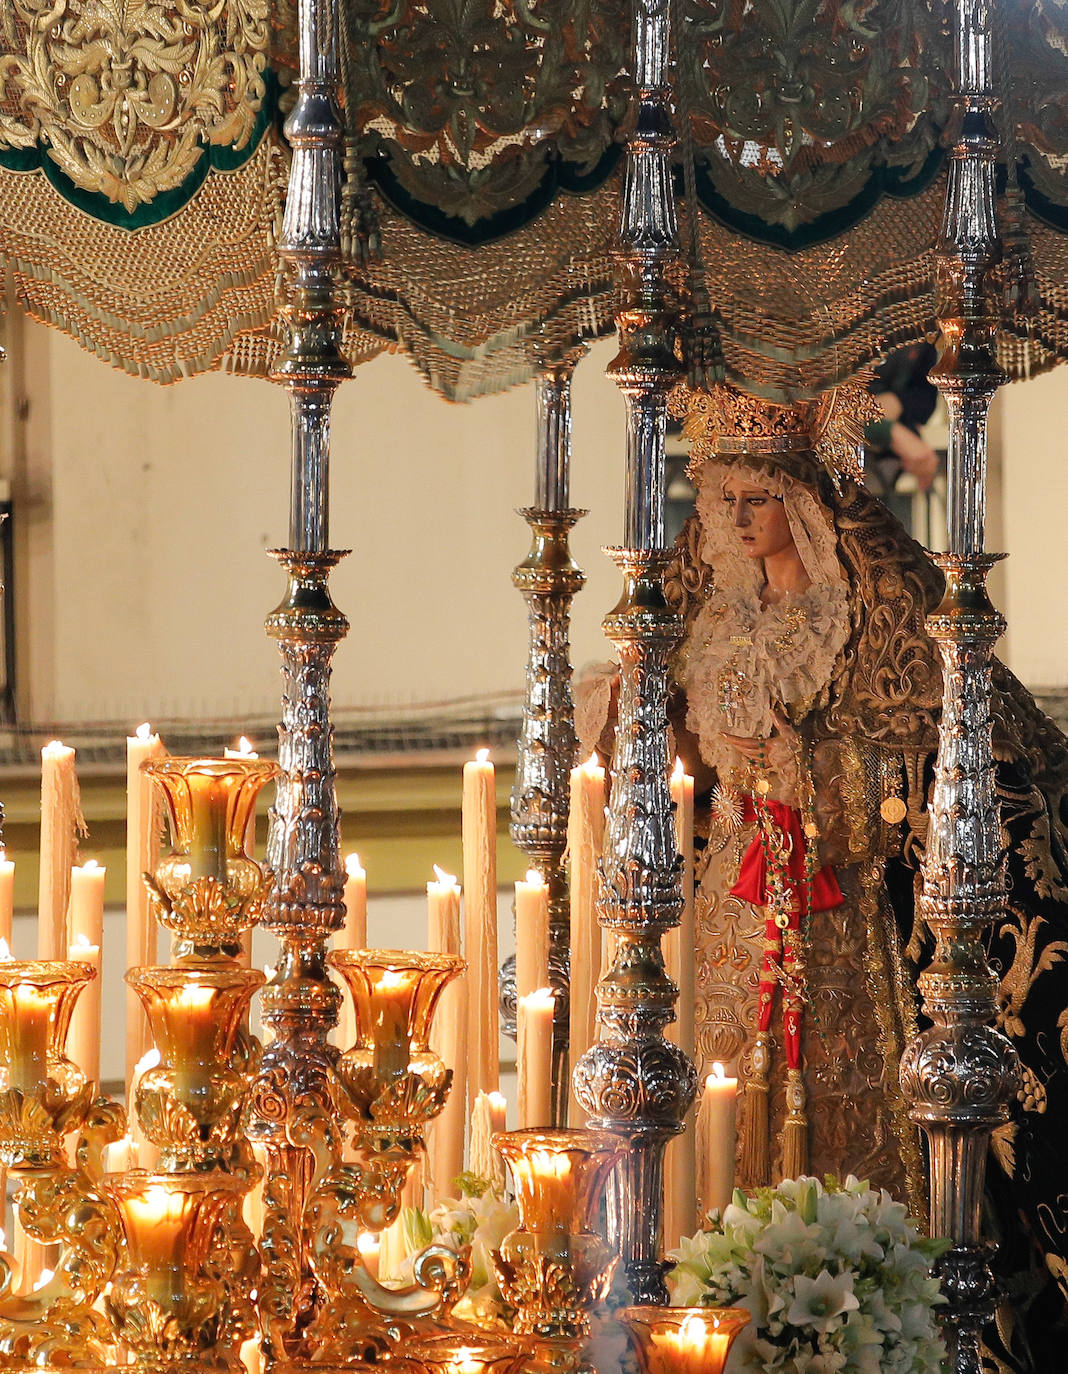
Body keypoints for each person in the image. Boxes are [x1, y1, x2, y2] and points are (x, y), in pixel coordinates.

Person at [578, 381, 1068, 1371]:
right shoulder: (710, 617)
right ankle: (711, 1299)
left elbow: (915, 756)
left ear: (799, 501)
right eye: (722, 501)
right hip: (733, 903)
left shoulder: (863, 617)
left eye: (755, 499)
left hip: (835, 910)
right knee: (718, 1091)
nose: (736, 519)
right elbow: (670, 747)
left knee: (841, 1099)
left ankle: (860, 1304)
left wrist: (826, 783)